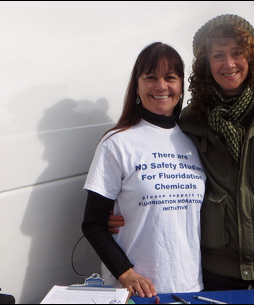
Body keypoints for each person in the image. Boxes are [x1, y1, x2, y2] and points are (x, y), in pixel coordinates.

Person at [109, 14, 254, 290]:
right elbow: (158, 172)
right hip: (216, 274)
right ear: (206, 63)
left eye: (237, 53)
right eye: (218, 55)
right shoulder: (191, 120)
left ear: (253, 57)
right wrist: (118, 211)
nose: (229, 63)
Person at [82, 42, 206, 298]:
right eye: (151, 77)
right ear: (136, 86)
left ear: (181, 86)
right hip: (136, 293)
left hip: (191, 288)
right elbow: (93, 224)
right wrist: (126, 274)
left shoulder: (196, 139)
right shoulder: (117, 143)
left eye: (170, 77)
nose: (161, 86)